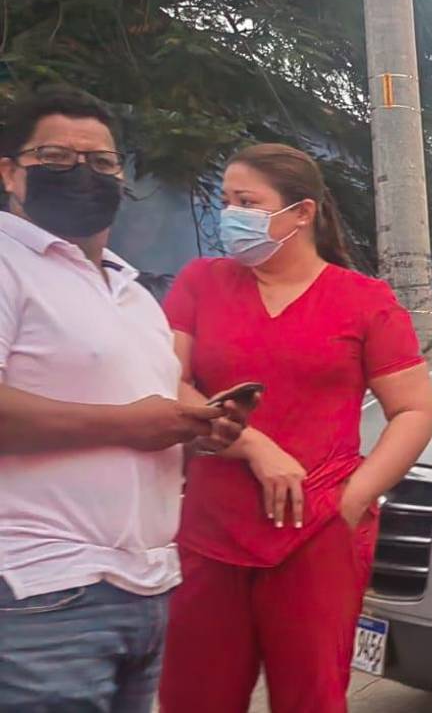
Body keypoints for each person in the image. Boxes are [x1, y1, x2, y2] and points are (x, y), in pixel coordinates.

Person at [158, 143, 432, 713]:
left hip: (318, 532)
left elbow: (414, 411)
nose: (229, 215)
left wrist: (352, 501)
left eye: (247, 202)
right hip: (211, 527)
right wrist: (253, 445)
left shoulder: (364, 301)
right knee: (194, 696)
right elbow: (168, 382)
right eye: (225, 200)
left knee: (310, 697)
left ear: (301, 213)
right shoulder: (201, 283)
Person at [0, 85, 248, 712]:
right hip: (41, 592)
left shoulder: (129, 290)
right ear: (9, 172)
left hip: (146, 588)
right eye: (56, 157)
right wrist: (128, 426)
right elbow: (129, 421)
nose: (83, 172)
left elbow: (148, 409)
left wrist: (192, 428)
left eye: (103, 161)